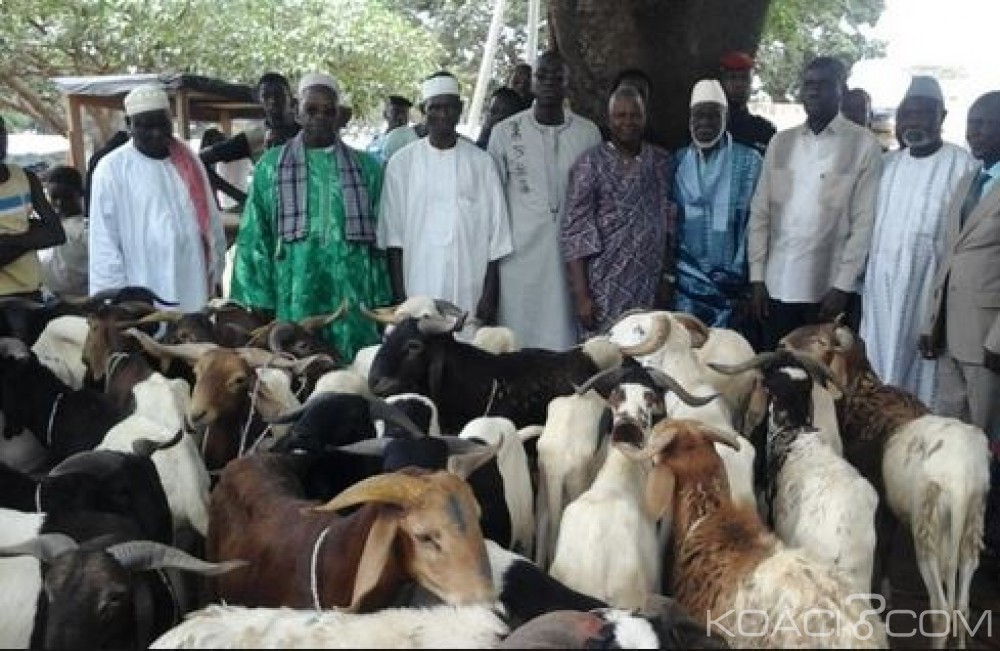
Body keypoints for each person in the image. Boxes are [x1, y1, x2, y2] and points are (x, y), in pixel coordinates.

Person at [230, 73, 390, 362]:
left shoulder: (367, 168)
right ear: (297, 111)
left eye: (329, 111)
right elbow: (256, 237)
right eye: (311, 110)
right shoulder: (271, 167)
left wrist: (381, 299)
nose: (320, 117)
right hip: (295, 290)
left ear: (339, 116)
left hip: (352, 293)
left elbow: (379, 240)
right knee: (298, 366)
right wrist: (258, 299)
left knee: (354, 371)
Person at [747, 56, 883, 352]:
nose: (813, 91)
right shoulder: (781, 143)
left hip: (825, 293)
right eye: (808, 84)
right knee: (775, 374)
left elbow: (864, 222)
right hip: (775, 286)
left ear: (841, 90)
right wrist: (757, 278)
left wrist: (843, 286)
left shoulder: (863, 145)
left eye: (823, 84)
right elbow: (760, 213)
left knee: (822, 383)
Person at [862, 76, 976, 408]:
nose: (913, 122)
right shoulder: (887, 165)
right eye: (907, 114)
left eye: (923, 114)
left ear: (941, 117)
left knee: (923, 381)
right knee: (878, 368)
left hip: (928, 295)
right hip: (880, 292)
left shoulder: (962, 167)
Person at [920, 90, 1000, 560]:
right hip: (950, 334)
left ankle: (981, 540)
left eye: (984, 124)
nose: (973, 133)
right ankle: (949, 530)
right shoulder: (971, 181)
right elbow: (950, 258)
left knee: (988, 449)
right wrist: (932, 323)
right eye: (970, 124)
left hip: (987, 343)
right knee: (954, 440)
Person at [488, 49, 603, 350]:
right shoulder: (505, 133)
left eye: (558, 76)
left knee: (565, 345)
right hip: (518, 260)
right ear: (532, 81)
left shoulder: (588, 133)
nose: (549, 82)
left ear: (568, 83)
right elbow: (493, 204)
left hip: (571, 260)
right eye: (542, 75)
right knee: (518, 345)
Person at [379, 72, 512, 328]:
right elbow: (393, 240)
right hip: (417, 286)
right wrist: (400, 298)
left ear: (460, 109)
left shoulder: (481, 163)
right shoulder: (401, 164)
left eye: (449, 107)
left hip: (469, 288)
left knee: (466, 356)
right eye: (435, 108)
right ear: (422, 111)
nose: (442, 115)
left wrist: (489, 296)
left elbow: (497, 239)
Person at [89, 84, 226, 311]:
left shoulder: (189, 159)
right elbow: (104, 240)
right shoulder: (112, 168)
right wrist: (116, 297)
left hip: (193, 274)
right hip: (143, 280)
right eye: (145, 126)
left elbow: (211, 219)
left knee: (195, 336)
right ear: (129, 125)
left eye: (162, 124)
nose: (156, 133)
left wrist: (216, 266)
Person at [561, 85, 676, 337]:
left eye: (635, 115)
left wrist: (667, 278)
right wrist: (581, 297)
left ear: (645, 117)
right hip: (603, 290)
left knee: (647, 359)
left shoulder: (661, 162)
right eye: (620, 116)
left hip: (648, 288)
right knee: (604, 362)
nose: (628, 122)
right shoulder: (589, 165)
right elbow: (574, 233)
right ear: (608, 119)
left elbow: (669, 222)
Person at [672, 80, 763, 336]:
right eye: (699, 115)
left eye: (714, 115)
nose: (705, 122)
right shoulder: (677, 162)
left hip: (731, 290)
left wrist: (742, 280)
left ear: (726, 118)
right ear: (690, 119)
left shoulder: (749, 161)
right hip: (686, 287)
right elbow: (672, 225)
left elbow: (754, 224)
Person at [0, 115, 66, 301]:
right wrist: (32, 235)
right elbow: (47, 233)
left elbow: (56, 234)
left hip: (30, 292)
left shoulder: (25, 178)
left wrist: (8, 241)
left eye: (1, 132)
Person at [199, 72, 300, 167]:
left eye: (279, 95)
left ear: (291, 98)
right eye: (266, 96)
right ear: (259, 99)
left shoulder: (306, 133)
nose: (273, 100)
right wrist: (224, 186)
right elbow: (199, 159)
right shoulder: (253, 138)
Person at [38, 165, 89, 299]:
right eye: (54, 197)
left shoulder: (87, 231)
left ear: (80, 193)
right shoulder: (43, 229)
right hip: (49, 301)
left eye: (66, 196)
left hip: (83, 301)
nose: (59, 203)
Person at [719, 51, 777, 155]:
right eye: (732, 77)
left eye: (744, 78)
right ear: (722, 82)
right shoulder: (710, 127)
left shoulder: (764, 130)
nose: (739, 84)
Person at [605, 67, 669, 148]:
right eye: (626, 92)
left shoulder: (658, 147)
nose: (632, 99)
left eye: (641, 94)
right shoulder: (599, 139)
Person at [367, 95, 413, 164]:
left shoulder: (410, 138)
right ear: (385, 114)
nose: (401, 117)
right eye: (396, 112)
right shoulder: (377, 139)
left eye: (404, 113)